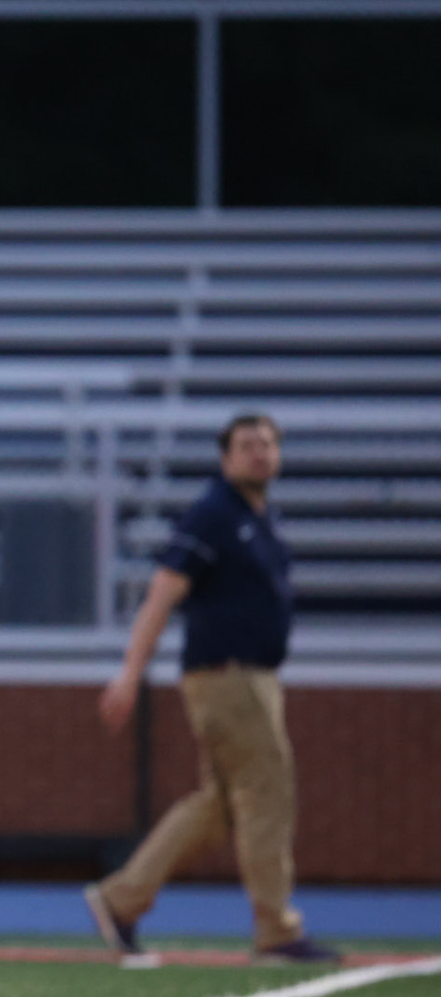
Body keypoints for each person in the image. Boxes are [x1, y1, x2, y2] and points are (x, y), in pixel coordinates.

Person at [84, 413, 338, 963]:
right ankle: (276, 929)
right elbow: (161, 592)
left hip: (251, 678)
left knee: (220, 806)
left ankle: (121, 899)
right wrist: (131, 671)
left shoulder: (261, 518)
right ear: (225, 458)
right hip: (229, 677)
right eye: (247, 445)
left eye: (267, 443)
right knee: (268, 791)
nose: (259, 453)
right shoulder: (214, 514)